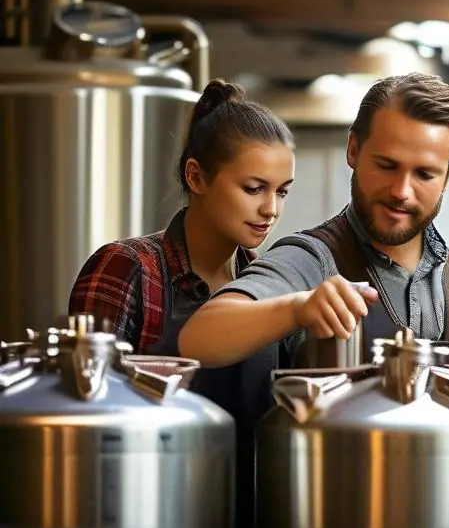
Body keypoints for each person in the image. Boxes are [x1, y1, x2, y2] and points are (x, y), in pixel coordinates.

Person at [179, 72, 449, 373]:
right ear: (353, 150)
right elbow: (198, 339)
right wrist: (297, 308)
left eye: (424, 174)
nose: (401, 191)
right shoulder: (309, 260)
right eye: (387, 166)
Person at [68, 78, 296, 358]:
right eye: (253, 188)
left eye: (282, 191)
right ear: (196, 177)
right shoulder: (125, 269)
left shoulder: (266, 282)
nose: (270, 209)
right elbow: (90, 381)